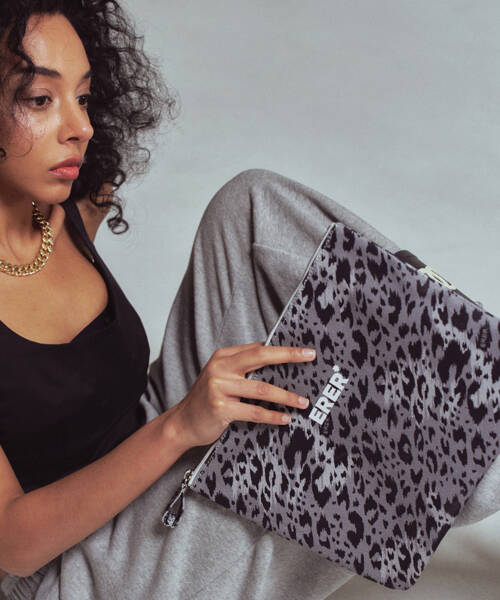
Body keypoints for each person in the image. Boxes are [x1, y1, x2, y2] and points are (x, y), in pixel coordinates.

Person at [0, 2, 498, 599]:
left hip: (148, 443)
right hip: (70, 568)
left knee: (248, 207)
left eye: (82, 97)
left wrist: (180, 423)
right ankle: (483, 437)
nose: (79, 126)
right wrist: (181, 428)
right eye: (40, 99)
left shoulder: (72, 210)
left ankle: (477, 359)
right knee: (285, 451)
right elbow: (13, 544)